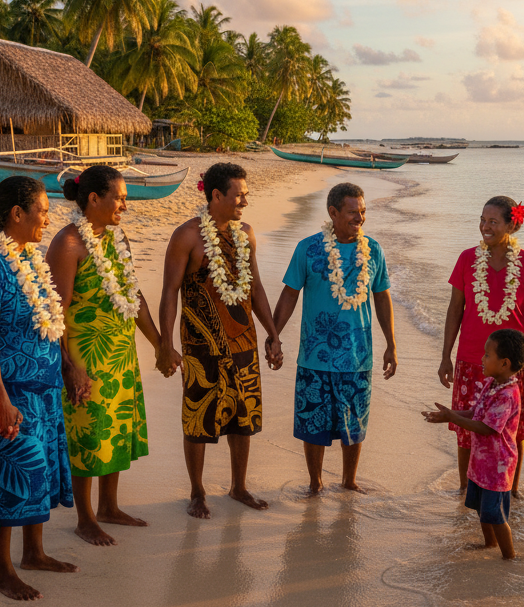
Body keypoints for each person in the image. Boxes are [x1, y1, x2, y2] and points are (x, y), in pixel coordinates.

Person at [0, 176, 77, 600]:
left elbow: (50, 322)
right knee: (10, 482)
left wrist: (64, 367)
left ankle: (35, 553)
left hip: (43, 390)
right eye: (43, 211)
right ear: (16, 214)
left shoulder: (29, 256)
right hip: (10, 393)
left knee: (39, 473)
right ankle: (3, 570)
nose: (48, 218)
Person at [46, 165, 164, 546]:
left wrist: (160, 344)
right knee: (88, 433)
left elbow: (134, 295)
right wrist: (69, 367)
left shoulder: (117, 238)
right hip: (86, 356)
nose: (124, 207)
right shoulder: (67, 244)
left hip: (119, 355)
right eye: (120, 198)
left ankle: (110, 506)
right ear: (94, 199)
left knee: (115, 431)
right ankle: (85, 518)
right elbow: (55, 311)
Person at [157, 163, 282, 519]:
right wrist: (166, 345)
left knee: (243, 414)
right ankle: (197, 492)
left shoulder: (247, 233)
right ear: (215, 195)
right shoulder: (187, 236)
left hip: (243, 340)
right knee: (198, 418)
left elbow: (255, 287)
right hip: (200, 344)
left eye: (245, 193)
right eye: (239, 194)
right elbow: (169, 293)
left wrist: (273, 335)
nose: (245, 199)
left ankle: (238, 486)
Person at [272, 182, 397, 494]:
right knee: (313, 426)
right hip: (314, 357)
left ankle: (349, 481)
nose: (360, 218)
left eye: (363, 212)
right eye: (353, 212)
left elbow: (382, 298)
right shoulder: (308, 248)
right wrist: (274, 336)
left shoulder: (374, 251)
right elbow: (289, 294)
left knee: (355, 425)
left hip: (358, 358)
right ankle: (315, 483)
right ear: (333, 212)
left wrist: (391, 344)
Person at [439, 195, 524, 495]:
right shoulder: (466, 258)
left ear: (512, 224)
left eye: (493, 221)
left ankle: (509, 489)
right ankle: (465, 489)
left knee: (514, 430)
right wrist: (446, 356)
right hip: (472, 358)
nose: (485, 226)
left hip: (514, 366)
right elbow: (454, 310)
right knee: (464, 428)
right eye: (482, 220)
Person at [423, 329, 524, 558]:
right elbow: (475, 413)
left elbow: (487, 427)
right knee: (482, 510)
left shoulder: (508, 394)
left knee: (496, 514)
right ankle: (489, 544)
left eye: (487, 355)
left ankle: (509, 555)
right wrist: (450, 414)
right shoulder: (492, 383)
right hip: (481, 463)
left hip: (498, 468)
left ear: (504, 363)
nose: (482, 359)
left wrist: (453, 418)